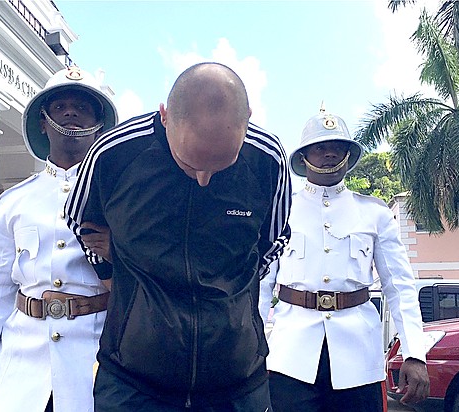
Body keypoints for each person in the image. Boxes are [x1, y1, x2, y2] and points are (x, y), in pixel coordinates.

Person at [64, 62, 292, 411]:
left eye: (220, 166)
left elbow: (273, 239)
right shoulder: (114, 153)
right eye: (189, 164)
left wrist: (228, 295)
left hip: (237, 382)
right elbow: (81, 221)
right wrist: (115, 272)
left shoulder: (268, 159)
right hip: (133, 383)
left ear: (247, 119)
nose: (203, 179)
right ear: (165, 116)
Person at [0, 65, 118, 412]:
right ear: (43, 122)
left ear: (99, 124)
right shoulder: (13, 201)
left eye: (83, 107)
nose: (71, 112)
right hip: (21, 367)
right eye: (59, 107)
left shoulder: (120, 196)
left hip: (94, 363)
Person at [259, 108, 430, 412]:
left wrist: (414, 352)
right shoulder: (282, 209)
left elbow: (400, 286)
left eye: (338, 147)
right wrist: (252, 351)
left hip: (358, 357)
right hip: (291, 357)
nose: (329, 154)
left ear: (349, 156)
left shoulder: (374, 213)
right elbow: (261, 284)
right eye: (321, 147)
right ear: (303, 157)